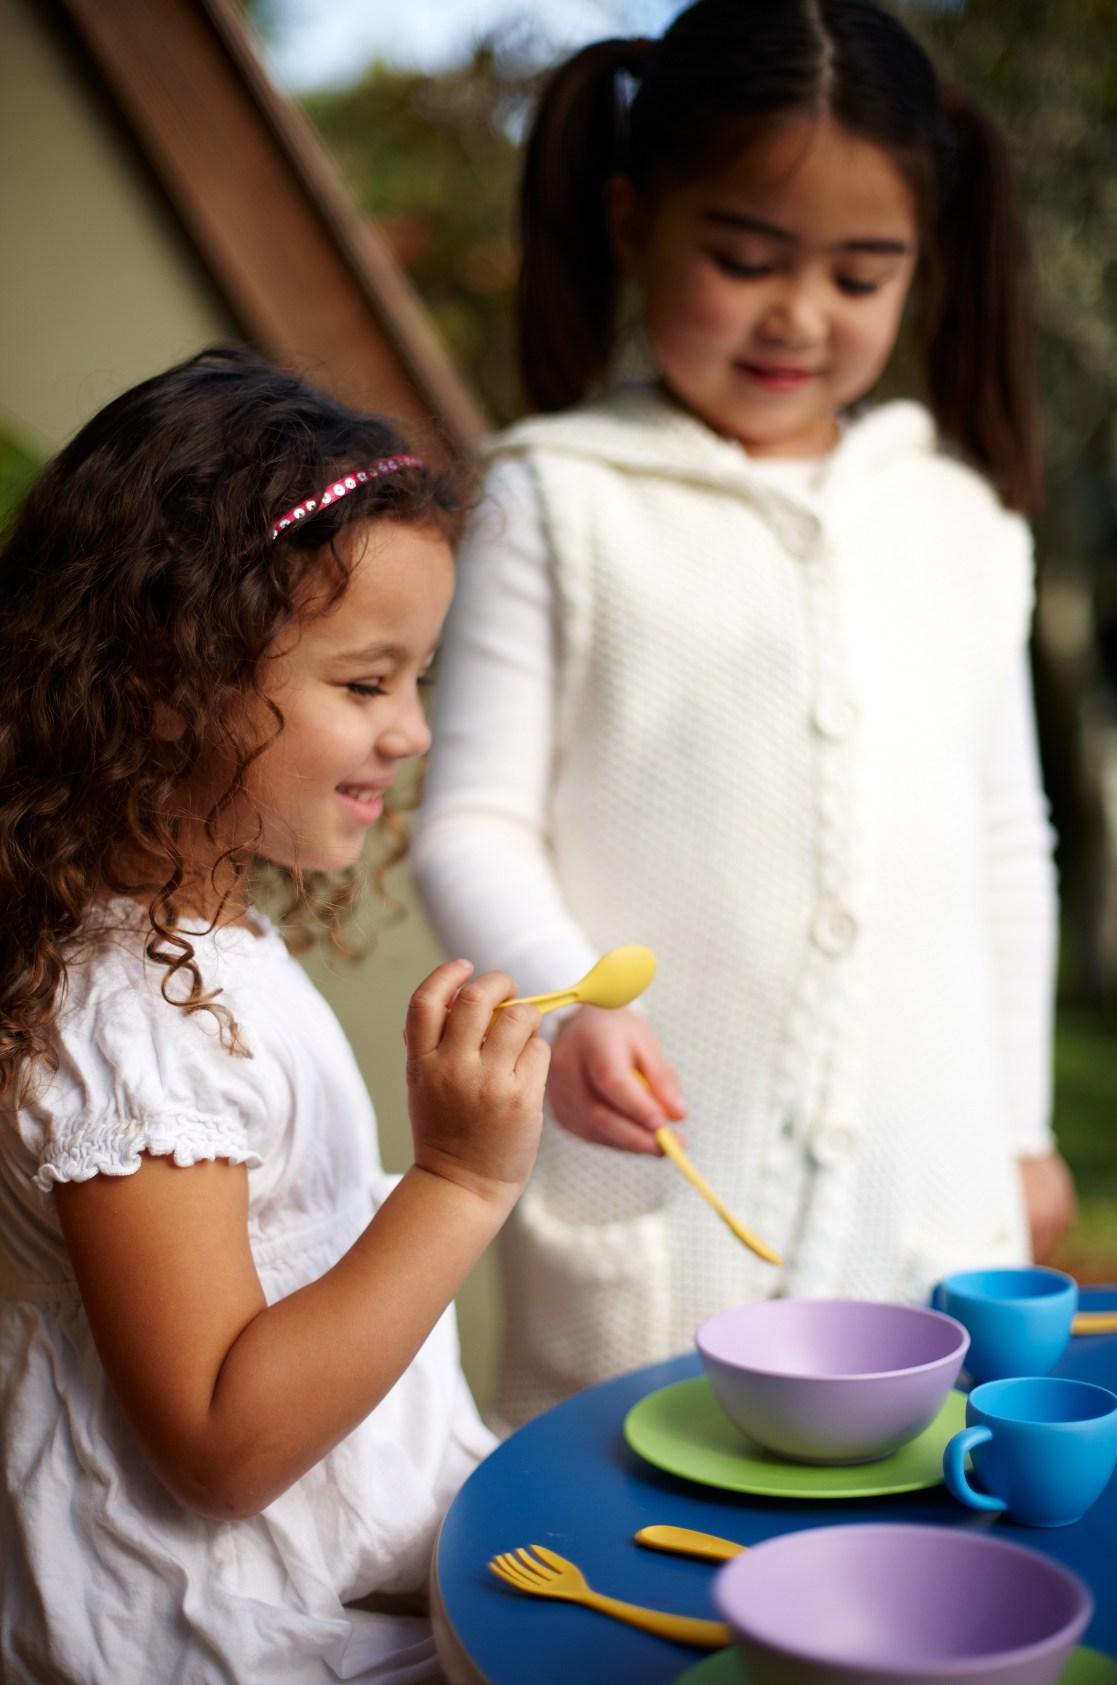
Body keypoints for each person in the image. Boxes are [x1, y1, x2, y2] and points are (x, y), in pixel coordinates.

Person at [412, 0, 1077, 1429]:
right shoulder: (556, 497)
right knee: (625, 1567)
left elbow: (1006, 850)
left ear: (924, 265)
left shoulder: (962, 522)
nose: (801, 315)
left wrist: (1021, 1129)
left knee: (909, 1574)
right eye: (746, 257)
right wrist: (566, 990)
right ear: (632, 221)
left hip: (928, 1190)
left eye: (860, 273)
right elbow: (467, 818)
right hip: (661, 1197)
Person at [0, 346, 550, 1683]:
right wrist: (462, 1183)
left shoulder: (206, 939)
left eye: (415, 679)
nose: (412, 731)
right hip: (223, 1641)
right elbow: (221, 1436)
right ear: (170, 673)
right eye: (366, 684)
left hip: (327, 1595)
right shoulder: (123, 1020)